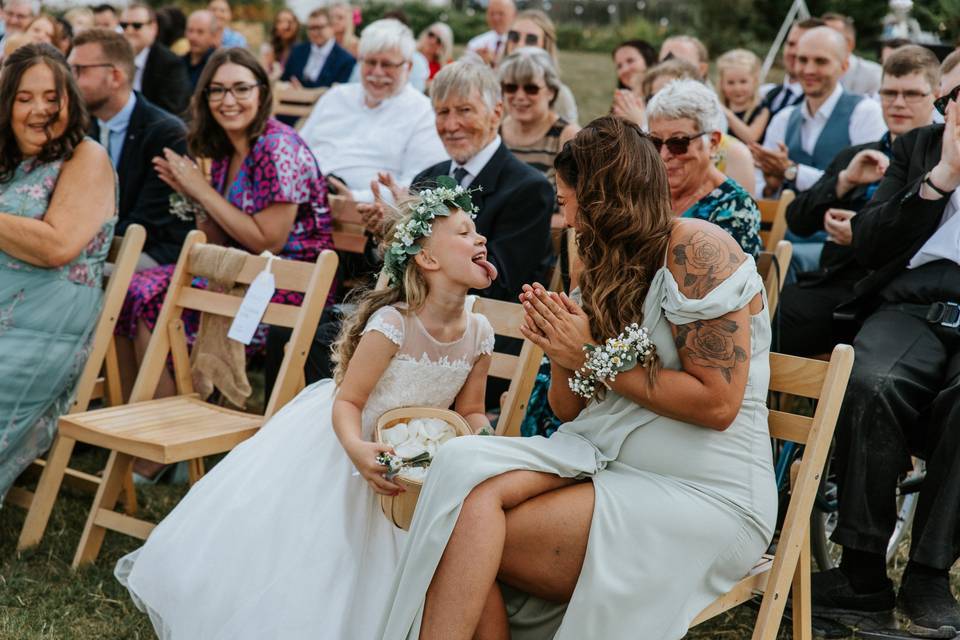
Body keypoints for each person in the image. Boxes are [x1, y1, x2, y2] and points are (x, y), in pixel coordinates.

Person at [377, 115, 776, 640]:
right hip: (608, 457)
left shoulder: (699, 251)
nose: (564, 223)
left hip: (705, 491)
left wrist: (588, 353)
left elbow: (718, 405)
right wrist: (561, 350)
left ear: (603, 196)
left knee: (460, 527)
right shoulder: (604, 261)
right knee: (461, 472)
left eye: (566, 204)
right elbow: (569, 410)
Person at [116, 186, 498, 639]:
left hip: (414, 463)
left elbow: (471, 409)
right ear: (428, 260)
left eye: (477, 231)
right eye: (463, 232)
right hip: (346, 444)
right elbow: (349, 401)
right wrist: (357, 449)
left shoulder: (479, 331)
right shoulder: (394, 325)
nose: (480, 239)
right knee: (324, 556)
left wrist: (486, 445)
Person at [809, 50, 960, 637]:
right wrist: (940, 179)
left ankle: (927, 576)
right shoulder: (919, 146)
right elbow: (868, 243)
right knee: (869, 383)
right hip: (912, 305)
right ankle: (863, 572)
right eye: (953, 100)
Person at [116, 47, 334, 400]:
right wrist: (194, 196)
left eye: (240, 89)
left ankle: (172, 423)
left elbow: (271, 240)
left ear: (262, 92)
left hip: (287, 282)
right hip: (238, 269)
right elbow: (220, 237)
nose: (227, 100)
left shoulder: (276, 148)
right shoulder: (226, 148)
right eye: (217, 90)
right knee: (135, 289)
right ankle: (145, 412)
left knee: (154, 300)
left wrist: (202, 191)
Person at [0, 43, 117, 499]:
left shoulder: (85, 157)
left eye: (52, 97)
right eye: (24, 98)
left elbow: (57, 245)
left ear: (70, 98)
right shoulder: (9, 160)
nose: (40, 110)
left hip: (44, 323)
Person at [777, 45, 941, 358]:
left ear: (936, 95)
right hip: (828, 283)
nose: (898, 104)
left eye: (911, 94)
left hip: (881, 298)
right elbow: (796, 219)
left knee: (762, 325)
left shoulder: (940, 167)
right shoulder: (856, 154)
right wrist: (843, 182)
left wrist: (861, 235)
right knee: (748, 312)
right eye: (889, 93)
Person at [753, 26, 886, 275]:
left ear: (843, 66)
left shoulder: (865, 113)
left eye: (821, 61)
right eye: (802, 60)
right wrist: (771, 184)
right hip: (786, 233)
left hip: (839, 242)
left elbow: (869, 186)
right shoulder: (783, 118)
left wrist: (792, 172)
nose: (809, 70)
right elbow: (761, 184)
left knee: (779, 262)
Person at [70, 28, 191, 269]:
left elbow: (148, 222)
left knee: (72, 275)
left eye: (80, 70)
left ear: (115, 76)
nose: (70, 79)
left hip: (155, 252)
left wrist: (75, 246)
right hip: (96, 246)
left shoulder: (166, 133)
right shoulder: (80, 126)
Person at [298, 19, 445, 203]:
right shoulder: (335, 97)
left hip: (367, 218)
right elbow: (298, 150)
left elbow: (420, 186)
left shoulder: (423, 113)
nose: (377, 72)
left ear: (408, 67)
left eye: (387, 65)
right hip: (302, 199)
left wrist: (355, 198)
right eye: (370, 62)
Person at [647, 79, 762, 257]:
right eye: (654, 142)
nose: (664, 155)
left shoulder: (734, 207)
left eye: (678, 143)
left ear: (713, 143)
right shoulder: (645, 193)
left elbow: (724, 282)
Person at [498, 47, 578, 184]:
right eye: (511, 87)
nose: (520, 96)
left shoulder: (568, 138)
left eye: (531, 89)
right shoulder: (494, 131)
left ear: (551, 91)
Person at [502, 9, 578, 125]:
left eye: (531, 39)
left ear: (546, 46)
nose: (520, 45)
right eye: (514, 36)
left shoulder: (561, 96)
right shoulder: (489, 87)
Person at [120, 4, 191, 117]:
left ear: (153, 28)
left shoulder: (170, 64)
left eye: (137, 25)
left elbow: (172, 111)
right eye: (123, 25)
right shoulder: (115, 59)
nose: (129, 31)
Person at [760, 18, 825, 120]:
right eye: (791, 44)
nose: (793, 52)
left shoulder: (821, 105)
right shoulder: (765, 94)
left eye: (802, 45)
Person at [281, 7, 354, 90]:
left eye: (320, 27)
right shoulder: (297, 51)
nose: (315, 32)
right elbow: (284, 80)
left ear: (331, 27)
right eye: (311, 28)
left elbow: (341, 93)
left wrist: (304, 93)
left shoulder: (345, 60)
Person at [823, 12, 883, 97]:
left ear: (849, 44)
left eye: (830, 37)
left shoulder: (873, 75)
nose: (821, 42)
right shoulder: (808, 73)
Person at [717, 48, 770, 144]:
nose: (737, 88)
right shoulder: (718, 108)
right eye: (730, 82)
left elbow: (752, 138)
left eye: (743, 82)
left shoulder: (762, 109)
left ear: (754, 81)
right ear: (721, 84)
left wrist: (727, 114)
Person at [466, 0, 515, 66]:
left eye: (501, 13)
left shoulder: (521, 43)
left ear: (513, 15)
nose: (495, 18)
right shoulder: (475, 44)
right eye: (492, 14)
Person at [182, 9, 219, 90]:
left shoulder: (217, 65)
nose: (193, 37)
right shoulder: (179, 63)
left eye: (200, 32)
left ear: (213, 35)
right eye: (190, 31)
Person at [259, 8, 298, 80]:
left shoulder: (301, 50)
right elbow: (262, 74)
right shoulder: (268, 48)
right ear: (275, 26)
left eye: (289, 22)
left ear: (296, 25)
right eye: (280, 22)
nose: (285, 26)